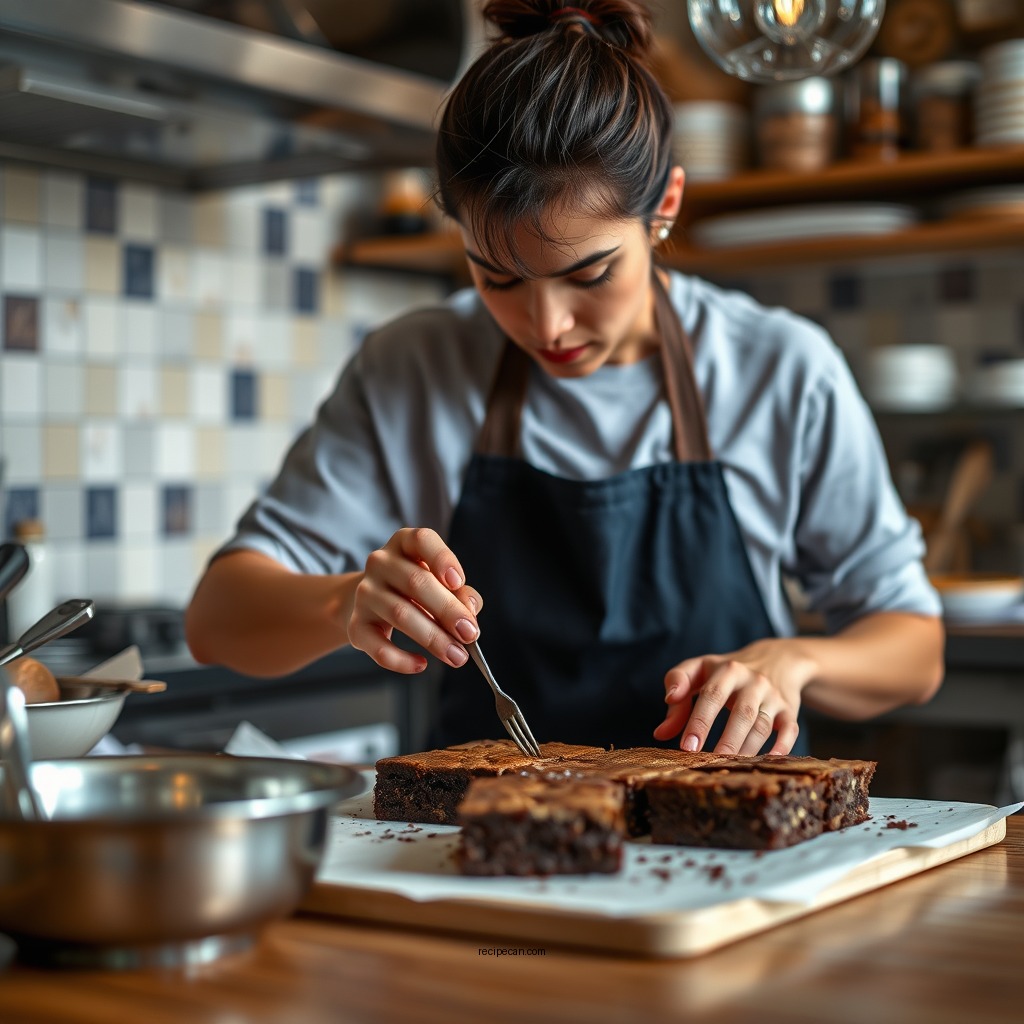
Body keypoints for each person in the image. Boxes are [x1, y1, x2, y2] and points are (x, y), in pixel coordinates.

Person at [185, 0, 944, 757]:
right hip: (482, 853)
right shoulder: (414, 367)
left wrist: (795, 659)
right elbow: (216, 622)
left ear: (664, 210)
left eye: (590, 274)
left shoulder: (778, 370)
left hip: (737, 853)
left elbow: (915, 651)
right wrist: (341, 600)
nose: (547, 325)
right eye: (497, 278)